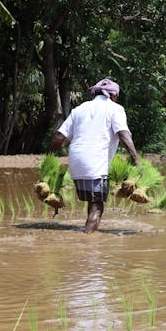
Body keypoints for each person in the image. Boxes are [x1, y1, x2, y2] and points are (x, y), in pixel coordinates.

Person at [49, 78, 140, 234]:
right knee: (97, 206)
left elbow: (59, 138)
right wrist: (136, 158)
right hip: (96, 163)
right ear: (113, 96)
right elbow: (123, 134)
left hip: (76, 164)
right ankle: (88, 243)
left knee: (92, 202)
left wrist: (48, 160)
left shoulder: (79, 109)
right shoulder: (115, 109)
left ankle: (87, 230)